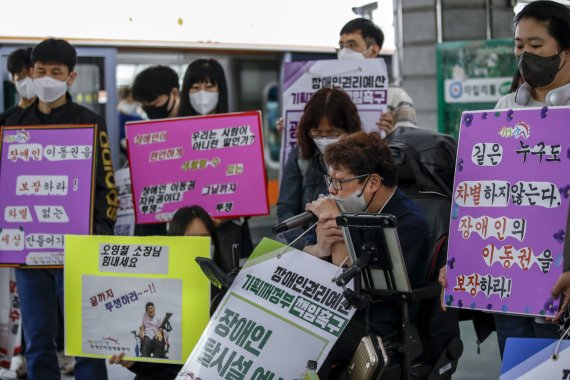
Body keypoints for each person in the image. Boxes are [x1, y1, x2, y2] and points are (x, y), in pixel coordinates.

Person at [440, 0, 570, 356]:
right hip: (509, 283)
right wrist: (457, 261)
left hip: (563, 283)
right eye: (518, 45)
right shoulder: (502, 110)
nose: (524, 53)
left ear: (566, 50)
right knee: (518, 368)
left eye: (536, 45)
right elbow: (479, 192)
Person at [4, 38, 117, 380]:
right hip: (27, 252)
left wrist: (96, 237)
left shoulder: (88, 122)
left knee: (86, 341)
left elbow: (107, 188)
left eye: (57, 71)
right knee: (38, 341)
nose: (48, 78)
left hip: (77, 251)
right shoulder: (10, 124)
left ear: (71, 77)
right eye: (41, 71)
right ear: (31, 73)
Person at [303, 131, 430, 378]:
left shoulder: (407, 222)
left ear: (372, 183)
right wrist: (319, 248)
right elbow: (305, 256)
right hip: (333, 307)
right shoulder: (342, 204)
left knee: (308, 342)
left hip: (378, 317)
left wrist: (337, 224)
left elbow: (353, 285)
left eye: (340, 181)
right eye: (330, 179)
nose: (332, 189)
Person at [110, 205, 225, 380]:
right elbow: (152, 360)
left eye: (205, 238)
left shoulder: (229, 288)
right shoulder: (153, 289)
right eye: (192, 240)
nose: (201, 245)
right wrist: (134, 363)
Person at [178, 59, 254, 265]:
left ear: (221, 90)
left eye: (209, 86)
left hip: (229, 233)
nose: (202, 93)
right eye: (195, 87)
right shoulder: (174, 133)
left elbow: (253, 187)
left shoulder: (240, 132)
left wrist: (225, 216)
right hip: (185, 234)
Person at [277, 87, 361, 247]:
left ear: (349, 129)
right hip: (308, 250)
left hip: (350, 248)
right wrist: (307, 248)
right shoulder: (301, 156)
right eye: (317, 133)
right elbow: (286, 209)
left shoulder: (364, 158)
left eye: (333, 133)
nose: (324, 139)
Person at [338, 17, 417, 135]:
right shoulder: (330, 92)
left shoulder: (396, 96)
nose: (344, 52)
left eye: (352, 45)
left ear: (373, 51)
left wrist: (391, 135)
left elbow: (409, 145)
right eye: (341, 45)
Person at [130, 65, 180, 237]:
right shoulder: (145, 136)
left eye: (155, 104)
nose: (150, 111)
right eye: (145, 107)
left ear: (174, 94)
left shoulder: (196, 129)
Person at [0, 47, 36, 125]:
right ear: (13, 78)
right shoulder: (4, 120)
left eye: (31, 74)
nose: (28, 80)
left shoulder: (52, 118)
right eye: (20, 75)